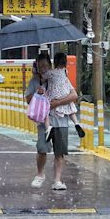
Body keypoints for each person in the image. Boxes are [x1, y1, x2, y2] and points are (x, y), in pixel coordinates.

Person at [25, 53, 78, 190]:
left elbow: (74, 95)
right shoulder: (35, 81)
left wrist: (57, 103)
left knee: (59, 152)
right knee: (42, 148)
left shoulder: (60, 77)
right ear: (37, 66)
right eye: (41, 65)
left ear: (51, 65)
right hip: (44, 121)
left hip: (61, 120)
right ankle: (40, 174)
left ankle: (57, 180)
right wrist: (38, 93)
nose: (43, 68)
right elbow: (28, 100)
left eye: (46, 65)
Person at [42, 53, 85, 142]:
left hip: (55, 95)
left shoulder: (51, 72)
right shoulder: (65, 71)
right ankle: (76, 123)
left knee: (45, 111)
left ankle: (48, 128)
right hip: (65, 93)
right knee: (70, 110)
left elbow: (43, 77)